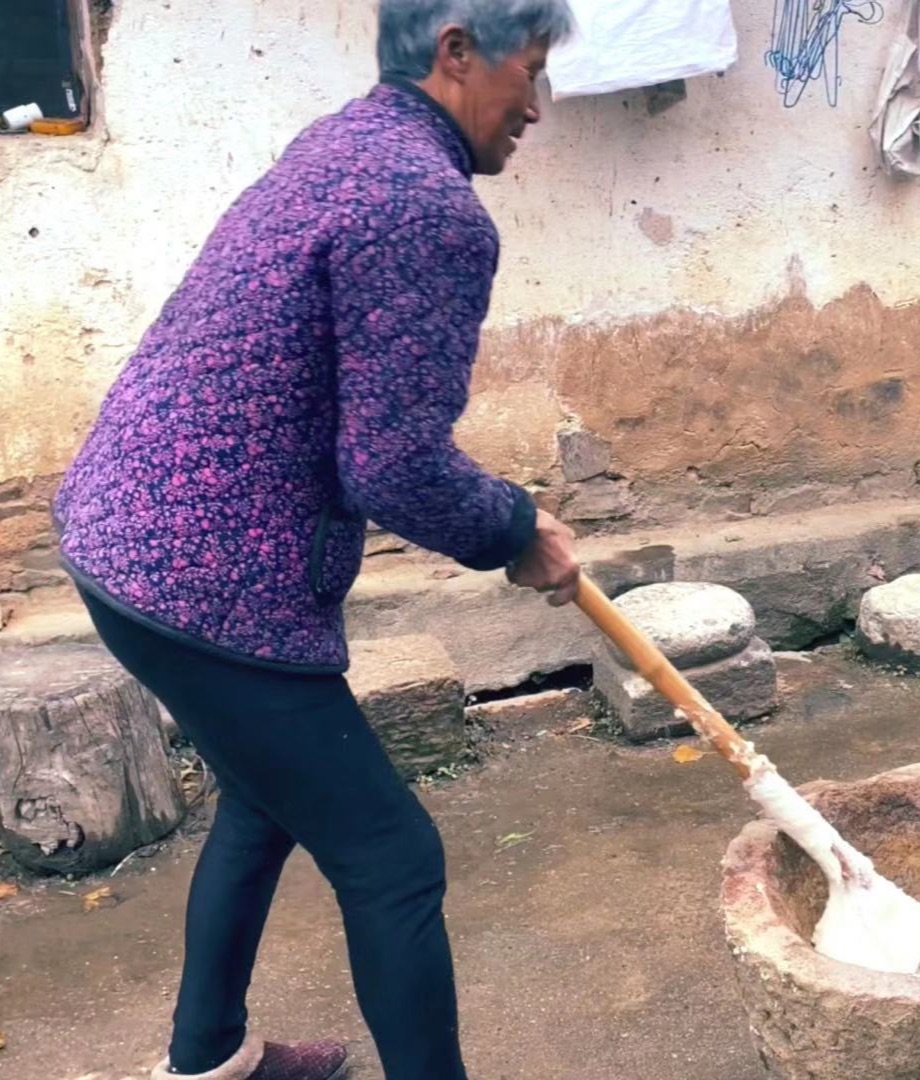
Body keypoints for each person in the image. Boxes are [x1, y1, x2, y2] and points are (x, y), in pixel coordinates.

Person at [52, 2, 580, 1077]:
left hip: (124, 536)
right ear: (455, 55)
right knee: (392, 858)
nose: (536, 104)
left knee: (265, 794)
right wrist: (519, 528)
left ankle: (207, 1060)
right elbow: (392, 466)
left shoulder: (347, 139)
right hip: (204, 578)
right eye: (529, 73)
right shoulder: (426, 204)